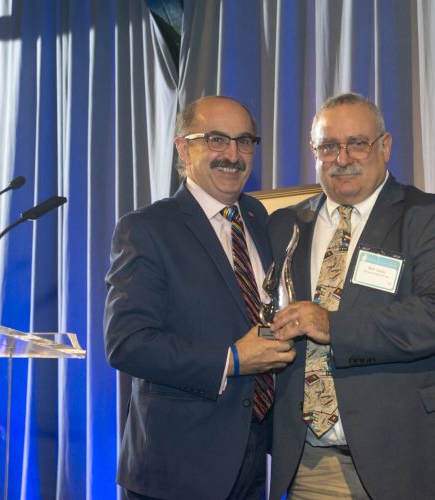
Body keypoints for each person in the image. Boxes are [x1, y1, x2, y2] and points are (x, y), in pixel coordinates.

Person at [267, 93, 435, 499]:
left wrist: (332, 325)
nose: (342, 158)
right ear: (313, 151)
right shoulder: (285, 224)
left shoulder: (432, 217)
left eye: (357, 143)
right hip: (313, 465)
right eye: (329, 146)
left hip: (412, 459)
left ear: (384, 147)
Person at [104, 95, 295, 499]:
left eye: (244, 141)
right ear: (182, 147)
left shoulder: (259, 219)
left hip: (253, 457)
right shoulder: (147, 228)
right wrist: (232, 359)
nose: (233, 155)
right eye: (216, 139)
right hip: (176, 467)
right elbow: (126, 343)